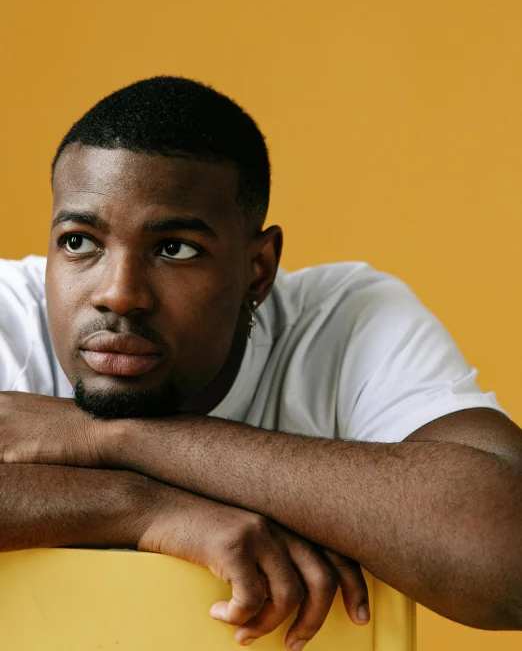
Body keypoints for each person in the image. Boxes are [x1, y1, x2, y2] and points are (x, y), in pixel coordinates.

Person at [0, 77, 521, 648]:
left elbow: (507, 558)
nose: (119, 294)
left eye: (175, 248)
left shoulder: (346, 321)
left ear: (258, 269)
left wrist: (112, 437)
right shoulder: (10, 314)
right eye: (79, 242)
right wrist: (144, 508)